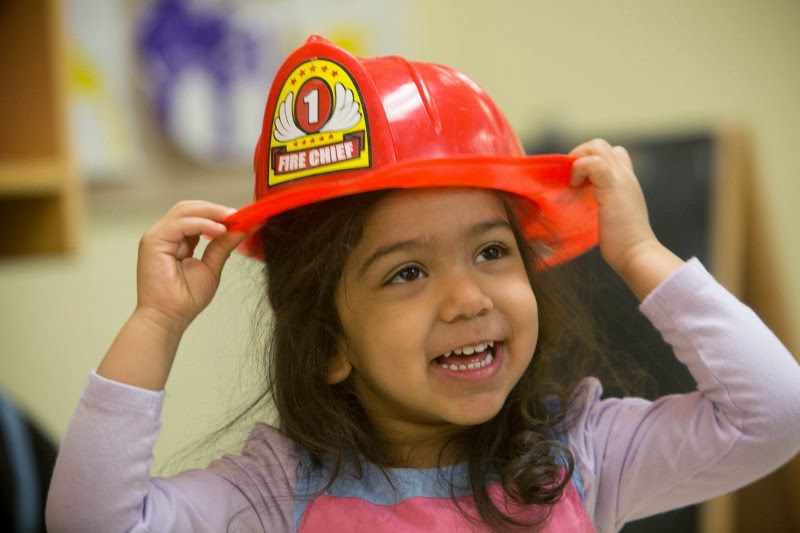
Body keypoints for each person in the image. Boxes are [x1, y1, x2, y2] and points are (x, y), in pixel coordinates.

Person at [46, 35, 800, 533]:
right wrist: (157, 323)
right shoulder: (275, 497)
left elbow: (775, 413)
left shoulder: (579, 459)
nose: (468, 297)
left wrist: (637, 253)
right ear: (331, 342)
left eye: (493, 252)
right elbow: (91, 523)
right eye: (407, 271)